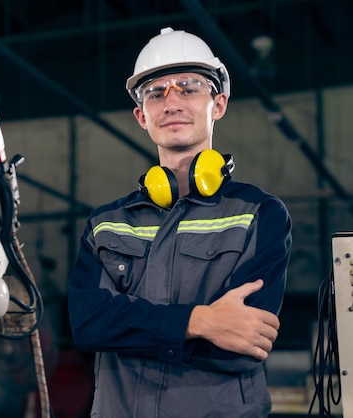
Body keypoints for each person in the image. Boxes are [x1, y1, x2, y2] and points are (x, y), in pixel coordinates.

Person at [67, 27, 292, 418]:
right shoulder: (107, 223)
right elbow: (89, 325)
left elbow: (242, 345)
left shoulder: (259, 214)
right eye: (155, 92)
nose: (171, 102)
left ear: (218, 104)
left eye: (188, 87)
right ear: (141, 115)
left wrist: (130, 326)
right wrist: (201, 320)